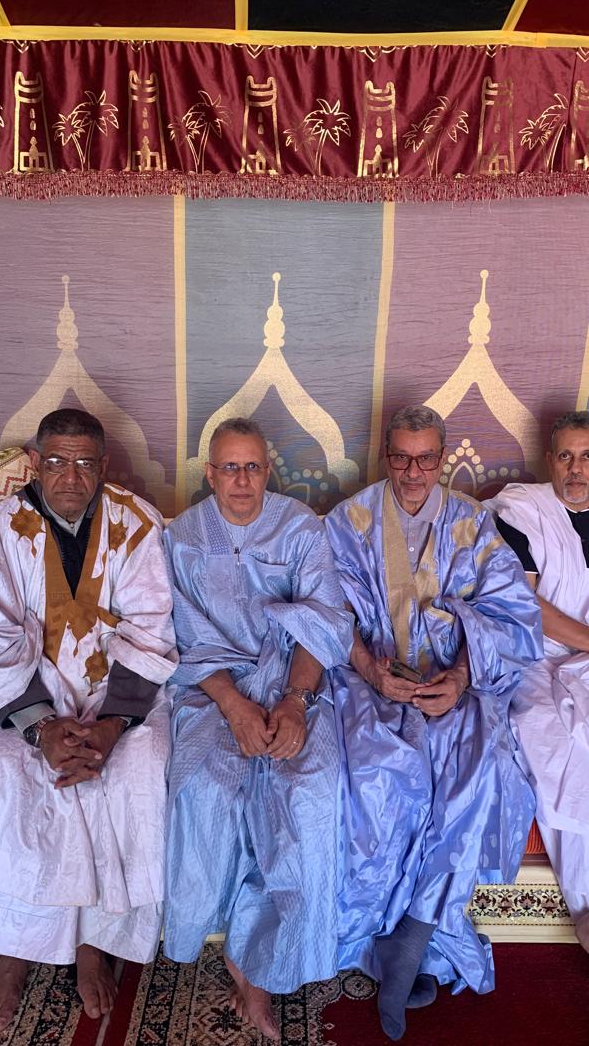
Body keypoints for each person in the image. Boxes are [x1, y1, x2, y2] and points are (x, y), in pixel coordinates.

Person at [324, 404, 543, 1041]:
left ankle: (415, 936)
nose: (413, 471)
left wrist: (464, 677)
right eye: (401, 457)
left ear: (443, 458)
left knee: (479, 771)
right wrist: (370, 670)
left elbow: (515, 615)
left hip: (453, 683)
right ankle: (393, 937)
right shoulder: (348, 522)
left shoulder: (473, 523)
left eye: (426, 458)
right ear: (385, 455)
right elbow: (325, 611)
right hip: (372, 683)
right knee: (375, 775)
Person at [0, 408, 177, 1033]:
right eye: (58, 462)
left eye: (85, 463)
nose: (71, 477)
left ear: (104, 466)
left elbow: (153, 629)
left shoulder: (135, 521)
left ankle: (96, 942)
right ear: (36, 464)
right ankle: (14, 952)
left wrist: (111, 725)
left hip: (122, 699)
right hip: (26, 697)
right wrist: (42, 728)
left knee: (138, 770)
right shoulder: (1, 527)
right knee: (1, 772)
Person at [164, 417, 353, 1041]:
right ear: (209, 474)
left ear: (267, 471)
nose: (241, 480)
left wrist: (295, 702)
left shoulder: (300, 527)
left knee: (308, 794)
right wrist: (233, 706)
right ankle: (244, 963)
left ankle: (272, 957)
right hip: (210, 689)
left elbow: (324, 621)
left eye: (252, 467)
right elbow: (182, 636)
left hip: (294, 685)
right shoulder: (182, 537)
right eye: (229, 468)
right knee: (212, 790)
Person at [489, 409, 589, 950]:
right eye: (566, 456)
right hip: (533, 657)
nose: (577, 469)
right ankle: (585, 902)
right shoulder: (523, 511)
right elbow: (525, 605)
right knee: (551, 740)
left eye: (588, 456)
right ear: (549, 460)